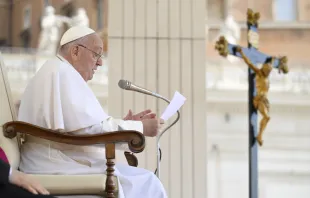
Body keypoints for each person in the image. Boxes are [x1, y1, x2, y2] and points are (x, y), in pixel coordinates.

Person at [18, 26, 167, 198]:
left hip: (57, 159)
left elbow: (84, 127)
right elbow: (88, 130)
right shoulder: (62, 73)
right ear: (75, 51)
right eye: (96, 54)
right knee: (149, 183)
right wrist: (138, 128)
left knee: (144, 180)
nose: (100, 62)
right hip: (56, 164)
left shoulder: (56, 70)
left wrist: (128, 126)